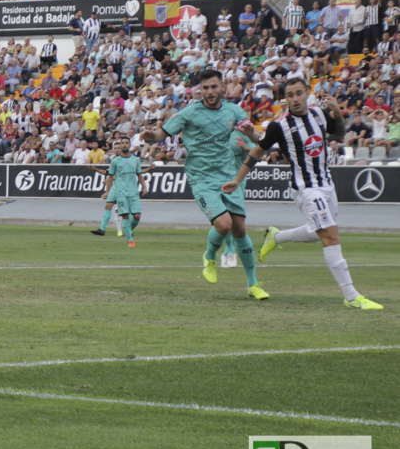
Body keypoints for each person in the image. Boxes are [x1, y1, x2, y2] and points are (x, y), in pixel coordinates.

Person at [222, 78, 383, 310]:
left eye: (299, 93)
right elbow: (258, 150)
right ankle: (351, 296)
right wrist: (238, 180)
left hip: (327, 184)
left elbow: (337, 133)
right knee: (330, 236)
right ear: (285, 98)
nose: (295, 98)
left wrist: (337, 111)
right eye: (290, 95)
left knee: (321, 232)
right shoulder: (280, 125)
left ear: (308, 93)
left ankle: (275, 238)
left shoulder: (318, 114)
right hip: (306, 189)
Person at [141, 69, 268, 300]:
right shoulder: (189, 112)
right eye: (206, 88)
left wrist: (253, 133)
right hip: (201, 178)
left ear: (222, 87)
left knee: (240, 229)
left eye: (214, 87)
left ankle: (253, 284)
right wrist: (151, 137)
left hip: (230, 176)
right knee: (224, 225)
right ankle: (210, 256)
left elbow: (259, 139)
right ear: (200, 89)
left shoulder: (234, 110)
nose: (210, 92)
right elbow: (161, 134)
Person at [219, 128, 256, 268]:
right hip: (218, 178)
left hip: (237, 180)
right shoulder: (214, 131)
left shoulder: (241, 133)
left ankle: (232, 248)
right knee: (224, 215)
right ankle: (229, 249)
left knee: (235, 217)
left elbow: (256, 151)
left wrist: (247, 147)